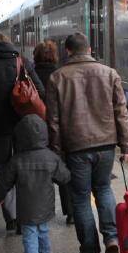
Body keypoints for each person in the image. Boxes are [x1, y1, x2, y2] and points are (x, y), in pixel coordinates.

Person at [46, 32, 128, 253]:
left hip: (75, 148)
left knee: (81, 197)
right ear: (89, 49)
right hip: (106, 144)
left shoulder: (57, 77)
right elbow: (121, 113)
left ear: (68, 51)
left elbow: (53, 121)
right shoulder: (109, 74)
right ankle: (111, 238)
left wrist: (56, 152)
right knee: (104, 189)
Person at [0, 33, 45, 232]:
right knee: (25, 168)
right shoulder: (23, 63)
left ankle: (12, 216)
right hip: (26, 126)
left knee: (3, 168)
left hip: (0, 129)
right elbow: (40, 90)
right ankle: (27, 214)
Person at [0, 115, 70, 253]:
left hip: (26, 209)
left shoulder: (16, 160)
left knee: (29, 238)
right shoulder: (50, 157)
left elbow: (4, 182)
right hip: (45, 206)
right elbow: (65, 177)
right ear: (44, 134)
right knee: (43, 231)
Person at [33, 40, 74, 225]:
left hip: (36, 129)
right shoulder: (61, 75)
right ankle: (71, 212)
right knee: (63, 170)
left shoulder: (29, 75)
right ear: (55, 56)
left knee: (38, 172)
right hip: (58, 129)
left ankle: (40, 212)